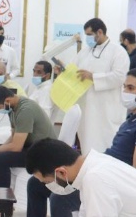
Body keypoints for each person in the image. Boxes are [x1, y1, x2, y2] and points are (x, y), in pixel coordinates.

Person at [25, 69, 136, 217]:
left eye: (130, 88)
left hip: (109, 182)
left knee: (60, 198)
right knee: (36, 184)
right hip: (103, 167)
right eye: (124, 87)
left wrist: (94, 175)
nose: (125, 92)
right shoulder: (132, 119)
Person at [42, 18, 130, 153]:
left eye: (89, 34)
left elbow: (119, 77)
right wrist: (63, 70)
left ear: (99, 32)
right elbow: (74, 72)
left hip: (106, 109)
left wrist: (93, 77)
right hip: (85, 107)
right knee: (87, 144)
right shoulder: (85, 52)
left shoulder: (118, 52)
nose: (87, 38)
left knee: (105, 144)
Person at [0, 85, 55, 217]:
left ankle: (2, 207)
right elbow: (13, 138)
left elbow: (16, 146)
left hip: (43, 153)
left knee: (3, 159)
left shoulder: (25, 110)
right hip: (30, 147)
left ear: (7, 100)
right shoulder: (12, 109)